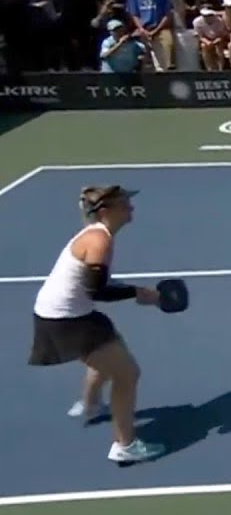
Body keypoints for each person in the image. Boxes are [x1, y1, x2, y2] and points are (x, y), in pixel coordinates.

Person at [28, 185, 166, 464]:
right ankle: (125, 445)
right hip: (65, 319)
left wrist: (137, 290)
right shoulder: (99, 242)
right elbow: (97, 291)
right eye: (125, 203)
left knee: (109, 348)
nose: (131, 207)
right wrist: (139, 294)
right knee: (127, 374)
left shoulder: (100, 237)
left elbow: (98, 284)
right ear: (106, 211)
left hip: (67, 313)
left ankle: (90, 405)